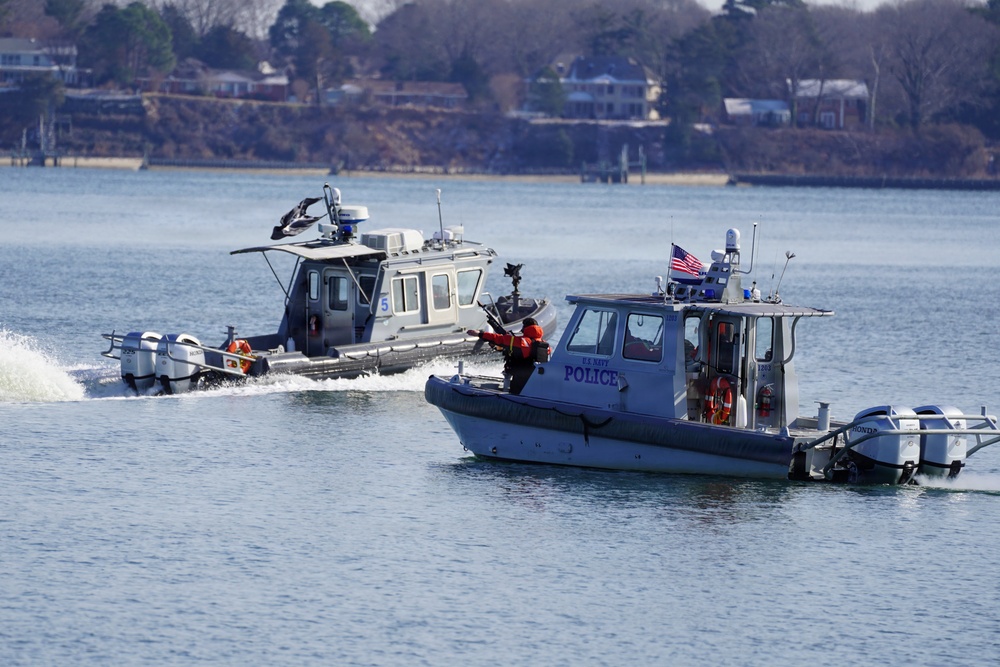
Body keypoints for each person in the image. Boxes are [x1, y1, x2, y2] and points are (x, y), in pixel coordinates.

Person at [467, 317, 548, 394]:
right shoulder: (544, 344)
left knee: (515, 393)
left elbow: (499, 339)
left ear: (525, 328)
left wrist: (480, 334)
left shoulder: (520, 341)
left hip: (521, 378)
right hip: (538, 378)